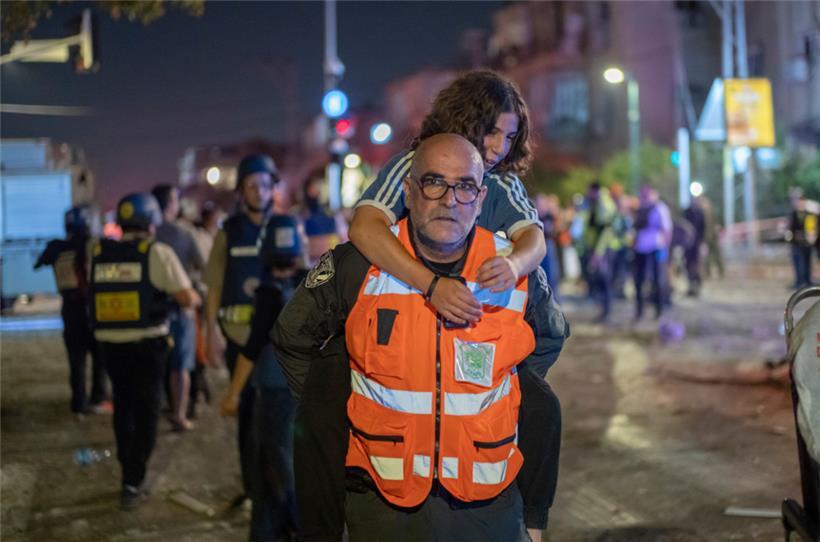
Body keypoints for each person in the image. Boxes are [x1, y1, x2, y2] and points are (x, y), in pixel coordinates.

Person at [274, 135, 564, 542]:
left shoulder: (514, 271)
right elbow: (292, 338)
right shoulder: (358, 266)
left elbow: (547, 340)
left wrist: (503, 394)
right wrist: (340, 400)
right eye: (433, 182)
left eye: (464, 186)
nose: (449, 199)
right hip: (383, 505)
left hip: (488, 507)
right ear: (408, 192)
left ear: (480, 199)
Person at [349, 70, 547, 328]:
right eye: (492, 132)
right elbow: (364, 227)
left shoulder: (503, 182)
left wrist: (514, 264)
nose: (500, 148)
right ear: (464, 121)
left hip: (474, 327)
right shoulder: (415, 164)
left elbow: (535, 239)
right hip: (407, 319)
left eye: (510, 137)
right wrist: (432, 286)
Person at [89, 193, 200, 510]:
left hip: (110, 344)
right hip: (148, 345)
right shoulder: (156, 253)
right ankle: (134, 478)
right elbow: (187, 298)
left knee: (123, 404)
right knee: (148, 409)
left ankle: (127, 468)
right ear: (151, 223)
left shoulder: (99, 252)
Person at [221, 214, 305, 542]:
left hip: (275, 390)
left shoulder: (269, 292)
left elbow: (253, 346)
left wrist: (232, 394)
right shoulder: (313, 280)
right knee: (291, 462)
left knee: (276, 465)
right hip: (308, 388)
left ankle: (295, 526)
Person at [205, 153, 278, 506]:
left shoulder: (284, 226)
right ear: (241, 191)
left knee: (278, 415)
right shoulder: (228, 232)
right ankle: (252, 489)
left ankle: (278, 487)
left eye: (265, 185)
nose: (259, 192)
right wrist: (212, 333)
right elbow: (214, 286)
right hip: (237, 336)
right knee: (246, 414)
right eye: (252, 186)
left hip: (277, 340)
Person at [34, 205, 110, 418]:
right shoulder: (93, 245)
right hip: (93, 307)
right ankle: (97, 398)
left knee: (76, 359)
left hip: (70, 308)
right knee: (99, 356)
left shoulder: (57, 247)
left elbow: (39, 263)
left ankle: (79, 402)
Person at [151, 184, 206, 431]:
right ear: (171, 204)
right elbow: (202, 265)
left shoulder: (149, 234)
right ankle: (179, 414)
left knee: (157, 365)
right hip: (182, 306)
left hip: (153, 309)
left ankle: (155, 411)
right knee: (180, 365)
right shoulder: (184, 234)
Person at [633, 185, 673, 320]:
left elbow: (667, 230)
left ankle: (659, 310)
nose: (645, 196)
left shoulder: (660, 208)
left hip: (656, 247)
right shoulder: (639, 209)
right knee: (639, 281)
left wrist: (666, 249)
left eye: (647, 193)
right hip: (640, 249)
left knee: (657, 280)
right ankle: (639, 310)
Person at [787, 188, 816, 289]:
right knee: (798, 263)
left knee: (807, 263)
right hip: (796, 243)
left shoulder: (810, 214)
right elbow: (790, 229)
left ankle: (807, 281)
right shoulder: (793, 214)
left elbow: (812, 228)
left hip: (807, 243)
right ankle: (799, 282)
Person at [682, 197, 706, 297]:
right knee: (688, 265)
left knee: (696, 266)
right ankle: (691, 286)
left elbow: (703, 228)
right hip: (687, 244)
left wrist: (702, 242)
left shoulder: (700, 212)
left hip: (697, 243)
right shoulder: (687, 212)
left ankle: (696, 286)